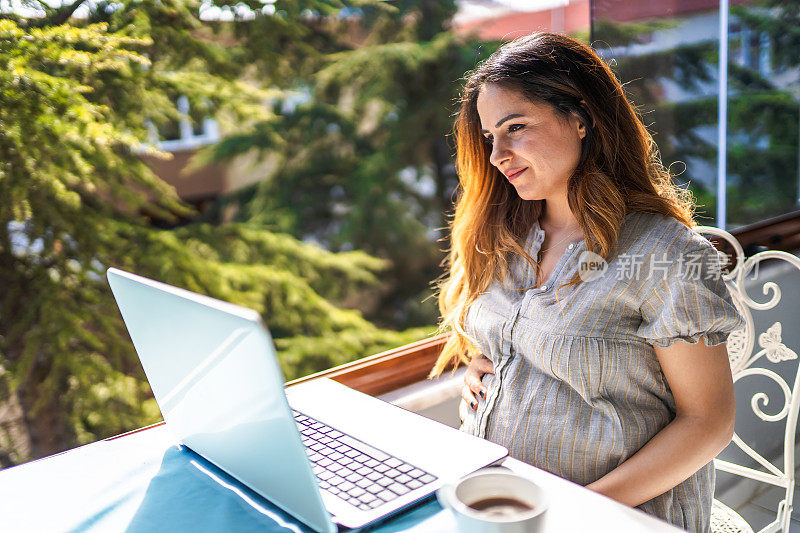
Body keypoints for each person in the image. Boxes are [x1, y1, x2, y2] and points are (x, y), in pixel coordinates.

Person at [430, 32, 746, 532]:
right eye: (491, 137)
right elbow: (527, 341)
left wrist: (576, 509)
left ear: (581, 118)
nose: (497, 155)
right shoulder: (506, 235)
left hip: (613, 517)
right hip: (497, 503)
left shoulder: (666, 253)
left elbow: (708, 424)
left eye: (516, 127)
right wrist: (491, 368)